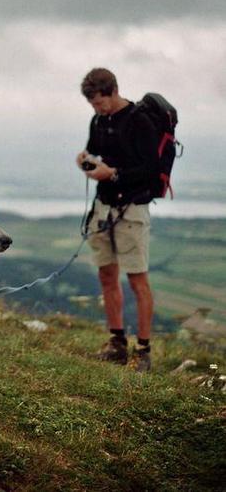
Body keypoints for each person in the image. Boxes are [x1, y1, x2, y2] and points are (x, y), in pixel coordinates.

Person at [76, 68, 160, 372]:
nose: (97, 110)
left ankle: (144, 351)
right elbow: (93, 153)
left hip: (133, 210)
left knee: (138, 280)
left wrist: (112, 174)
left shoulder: (139, 120)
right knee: (106, 275)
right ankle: (117, 343)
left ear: (113, 92)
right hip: (103, 208)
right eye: (93, 105)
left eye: (100, 103)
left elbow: (150, 169)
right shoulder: (99, 120)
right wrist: (85, 160)